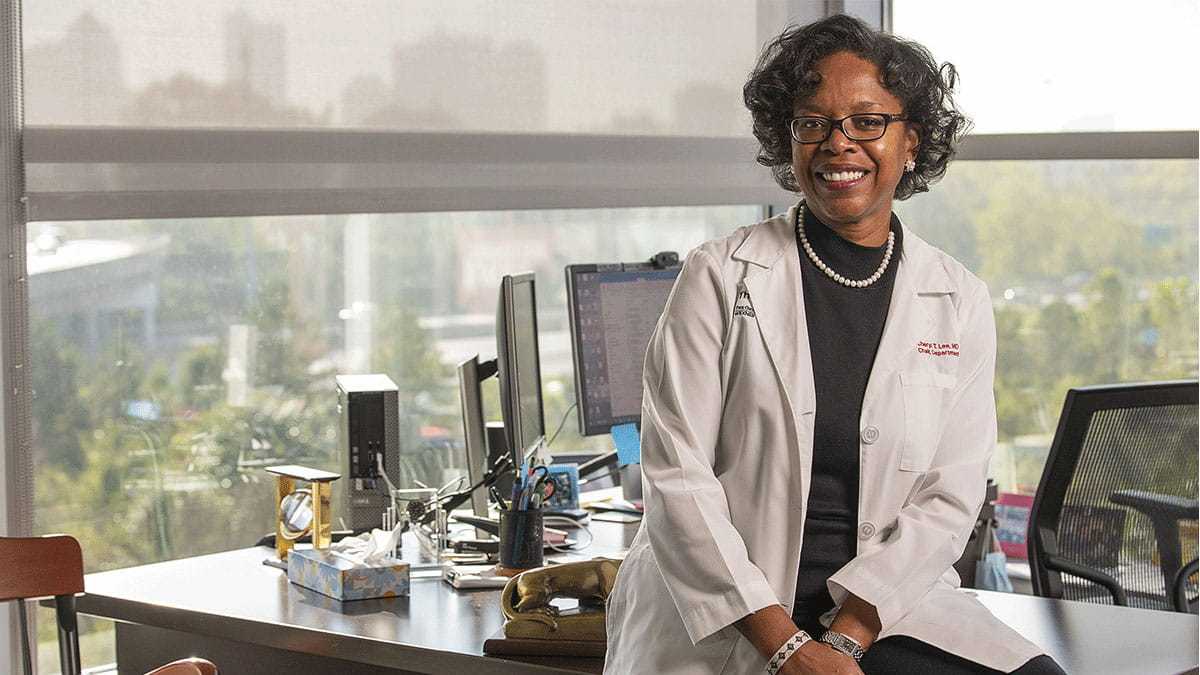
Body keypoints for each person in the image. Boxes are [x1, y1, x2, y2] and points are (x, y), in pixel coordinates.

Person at [604, 14, 1066, 675]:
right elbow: (677, 478)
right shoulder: (718, 275)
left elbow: (948, 497)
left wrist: (847, 636)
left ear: (912, 141)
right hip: (732, 614)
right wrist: (788, 647)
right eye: (812, 122)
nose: (837, 143)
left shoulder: (957, 298)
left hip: (881, 609)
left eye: (867, 121)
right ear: (787, 140)